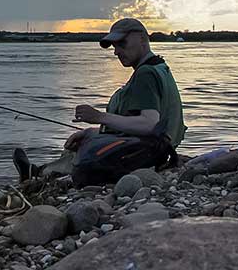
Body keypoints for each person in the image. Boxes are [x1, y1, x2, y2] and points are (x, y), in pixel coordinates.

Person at [13, 18, 186, 186]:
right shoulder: (160, 67)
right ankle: (37, 173)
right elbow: (143, 128)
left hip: (146, 154)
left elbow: (149, 124)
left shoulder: (145, 74)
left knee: (85, 154)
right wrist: (93, 131)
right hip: (157, 151)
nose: (116, 51)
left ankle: (36, 174)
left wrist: (99, 117)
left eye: (122, 43)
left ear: (141, 38)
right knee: (84, 141)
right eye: (114, 46)